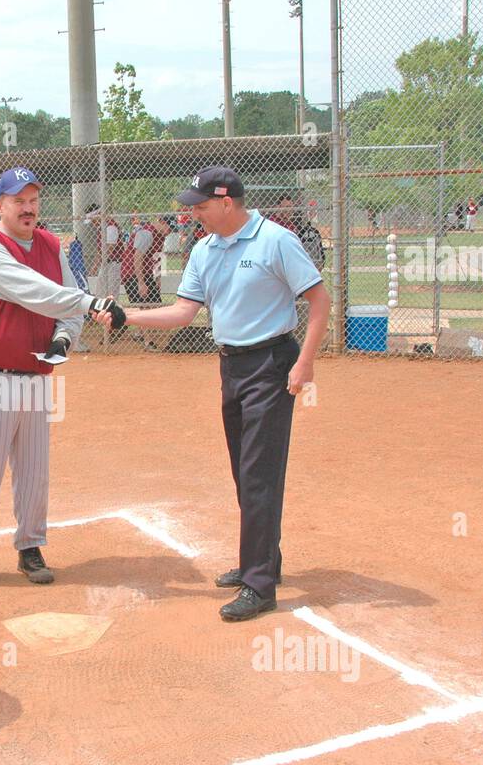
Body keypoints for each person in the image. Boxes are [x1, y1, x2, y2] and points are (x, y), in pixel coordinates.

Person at [94, 166, 332, 622]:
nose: (194, 213)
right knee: (245, 471)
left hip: (272, 364)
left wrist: (306, 361)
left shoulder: (276, 241)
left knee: (259, 473)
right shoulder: (204, 248)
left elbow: (320, 300)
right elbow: (184, 312)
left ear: (228, 203)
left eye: (201, 205)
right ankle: (264, 559)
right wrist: (129, 317)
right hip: (231, 365)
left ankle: (259, 585)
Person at [0, 167, 121, 593]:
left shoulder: (49, 244)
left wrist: (65, 336)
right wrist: (92, 302)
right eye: (18, 201)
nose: (27, 208)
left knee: (33, 470)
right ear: (0, 205)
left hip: (34, 373)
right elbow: (32, 290)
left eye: (33, 201)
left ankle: (30, 546)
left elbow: (63, 300)